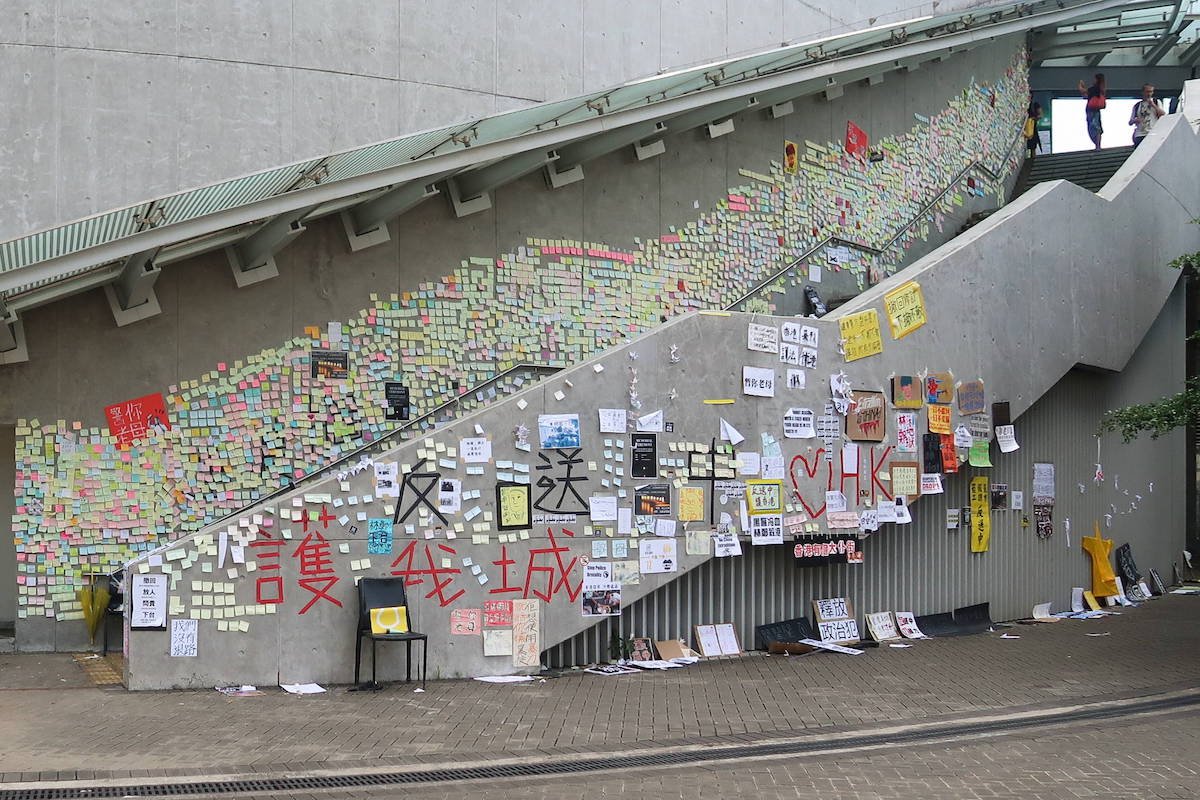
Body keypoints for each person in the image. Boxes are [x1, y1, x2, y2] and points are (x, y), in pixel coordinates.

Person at [1128, 83, 1165, 148]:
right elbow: (1130, 122)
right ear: (1143, 92)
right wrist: (1135, 120)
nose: (1149, 94)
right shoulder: (1137, 105)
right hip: (1140, 134)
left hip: (1153, 132)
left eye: (1151, 91)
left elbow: (1163, 115)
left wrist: (1153, 105)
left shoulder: (1156, 102)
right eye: (1147, 92)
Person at [1077, 73, 1106, 149]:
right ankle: (1097, 145)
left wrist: (1080, 84)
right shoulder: (1101, 89)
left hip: (1092, 110)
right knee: (1096, 127)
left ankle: (1097, 146)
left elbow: (1083, 91)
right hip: (1096, 110)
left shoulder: (1094, 88)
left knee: (1094, 127)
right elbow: (1087, 95)